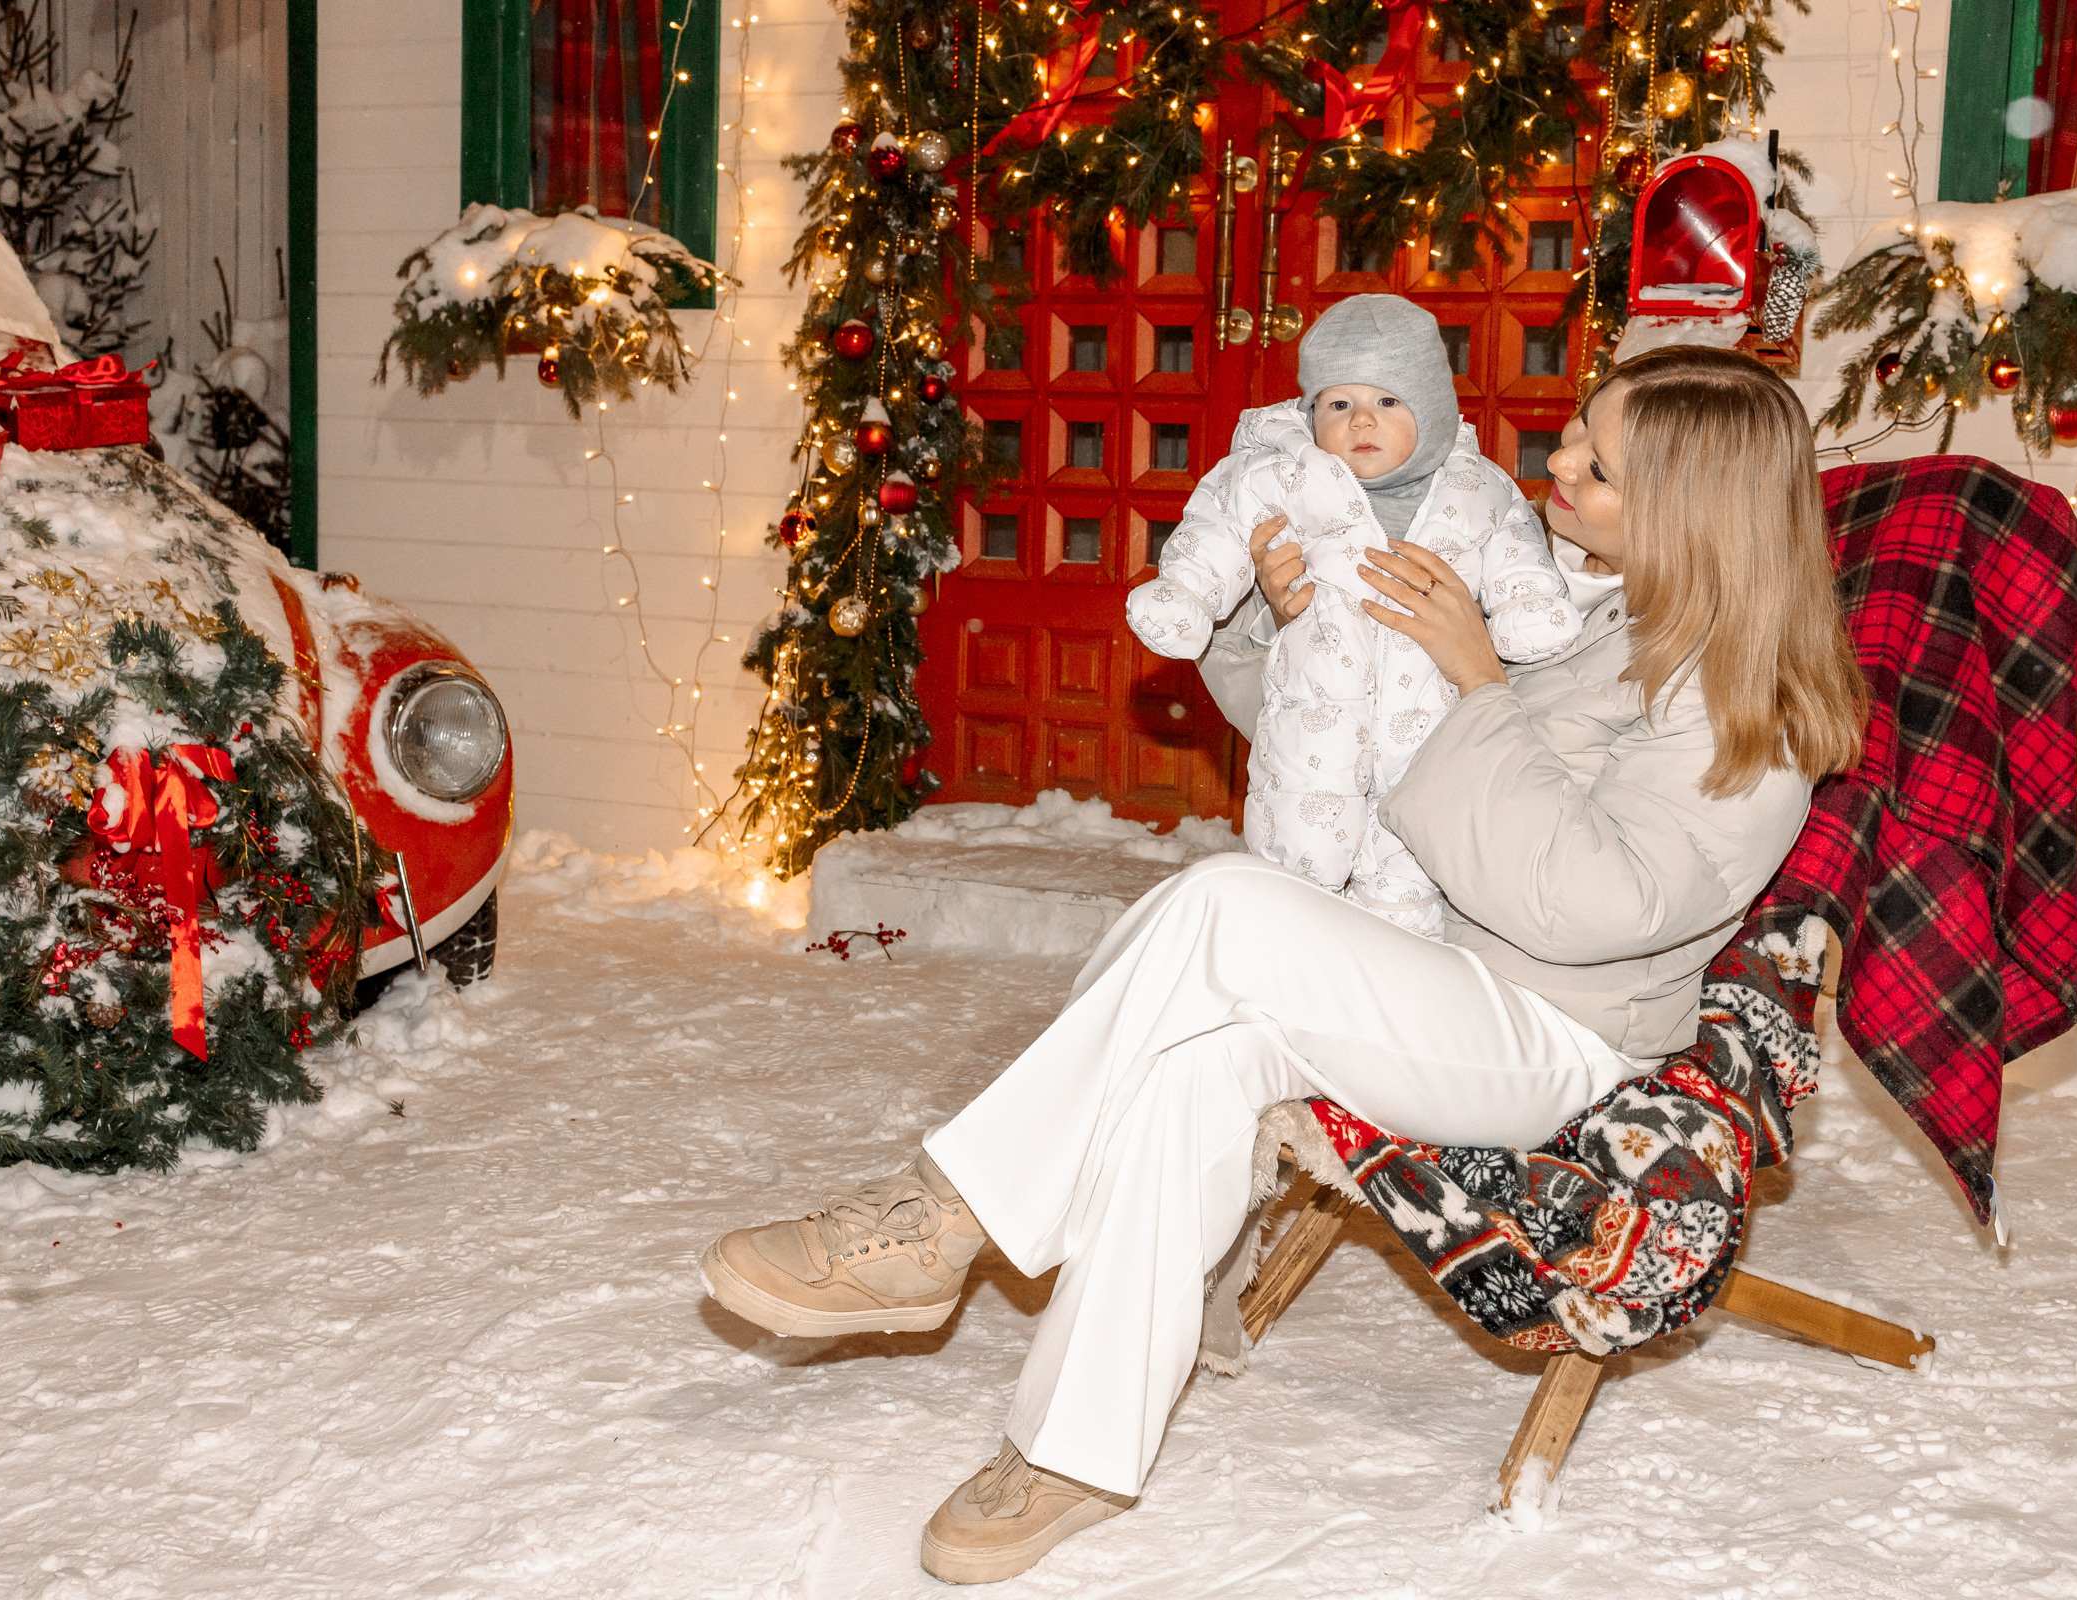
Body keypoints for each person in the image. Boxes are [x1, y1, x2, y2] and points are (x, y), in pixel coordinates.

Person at [699, 346, 1868, 1585]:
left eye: (1602, 462)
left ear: (1694, 508)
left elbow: (1591, 902)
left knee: (1224, 904)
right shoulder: (1587, 603)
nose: (1557, 462)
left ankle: (949, 1215)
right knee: (1190, 1067)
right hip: (1440, 970)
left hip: (1558, 1037)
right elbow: (1361, 734)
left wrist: (1480, 683)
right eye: (1577, 432)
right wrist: (1283, 617)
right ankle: (1075, 1451)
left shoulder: (1755, 703)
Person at [1126, 295, 1579, 937]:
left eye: (1389, 402)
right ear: (1312, 412)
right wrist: (1187, 593)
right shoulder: (1281, 474)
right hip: (1315, 712)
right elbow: (1217, 528)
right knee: (1299, 858)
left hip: (1430, 726)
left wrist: (1527, 605)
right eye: (1340, 404)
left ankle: (1400, 975)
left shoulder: (1477, 486)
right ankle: (1292, 963)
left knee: (1411, 875)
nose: (1362, 421)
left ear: (1433, 407)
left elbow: (1515, 547)